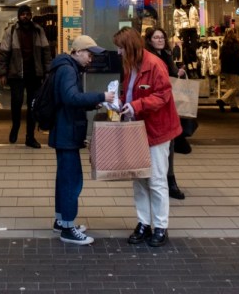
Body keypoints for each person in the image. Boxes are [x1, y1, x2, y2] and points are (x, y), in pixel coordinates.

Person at [113, 27, 181, 248]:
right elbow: (130, 92)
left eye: (120, 48)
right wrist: (120, 101)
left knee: (157, 179)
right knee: (140, 179)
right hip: (137, 129)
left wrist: (135, 105)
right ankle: (144, 223)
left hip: (156, 130)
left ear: (130, 47)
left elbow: (162, 95)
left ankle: (160, 225)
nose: (118, 52)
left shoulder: (154, 65)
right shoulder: (130, 65)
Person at [48, 35, 114, 245]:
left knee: (64, 179)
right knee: (72, 181)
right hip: (66, 132)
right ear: (76, 52)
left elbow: (69, 100)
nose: (91, 59)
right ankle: (68, 228)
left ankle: (61, 220)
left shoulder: (65, 67)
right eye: (88, 53)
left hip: (64, 130)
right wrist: (101, 97)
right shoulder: (68, 70)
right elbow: (70, 98)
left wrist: (91, 105)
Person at [144, 28, 190, 201]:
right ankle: (162, 180)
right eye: (156, 37)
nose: (160, 40)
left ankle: (169, 179)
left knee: (169, 145)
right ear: (149, 40)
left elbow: (170, 76)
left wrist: (177, 72)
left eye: (162, 37)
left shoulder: (167, 54)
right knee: (160, 147)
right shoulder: (149, 57)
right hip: (156, 107)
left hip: (169, 105)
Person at [0, 5, 52, 148]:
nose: (25, 17)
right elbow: (3, 53)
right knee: (16, 102)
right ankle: (15, 126)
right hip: (16, 74)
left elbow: (46, 53)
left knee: (33, 106)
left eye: (28, 14)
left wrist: (48, 71)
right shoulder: (12, 31)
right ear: (18, 16)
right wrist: (2, 73)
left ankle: (30, 137)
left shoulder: (39, 31)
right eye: (23, 14)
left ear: (31, 15)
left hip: (34, 74)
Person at [218, 28, 239, 112]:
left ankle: (233, 106)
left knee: (229, 88)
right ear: (234, 34)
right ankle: (222, 100)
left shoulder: (223, 45)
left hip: (225, 69)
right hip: (233, 69)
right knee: (235, 88)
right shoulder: (236, 44)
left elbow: (220, 58)